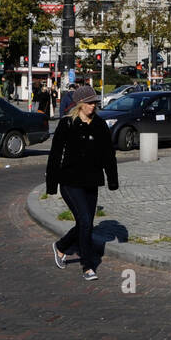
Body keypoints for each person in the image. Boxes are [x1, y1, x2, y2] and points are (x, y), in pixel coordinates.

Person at [46, 84, 118, 282]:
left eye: (94, 102)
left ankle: (61, 247)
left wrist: (112, 180)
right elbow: (55, 155)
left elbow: (108, 155)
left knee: (85, 223)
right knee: (85, 221)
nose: (93, 106)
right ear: (80, 104)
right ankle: (88, 266)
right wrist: (51, 184)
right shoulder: (67, 124)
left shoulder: (100, 125)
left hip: (91, 181)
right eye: (89, 103)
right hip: (69, 181)